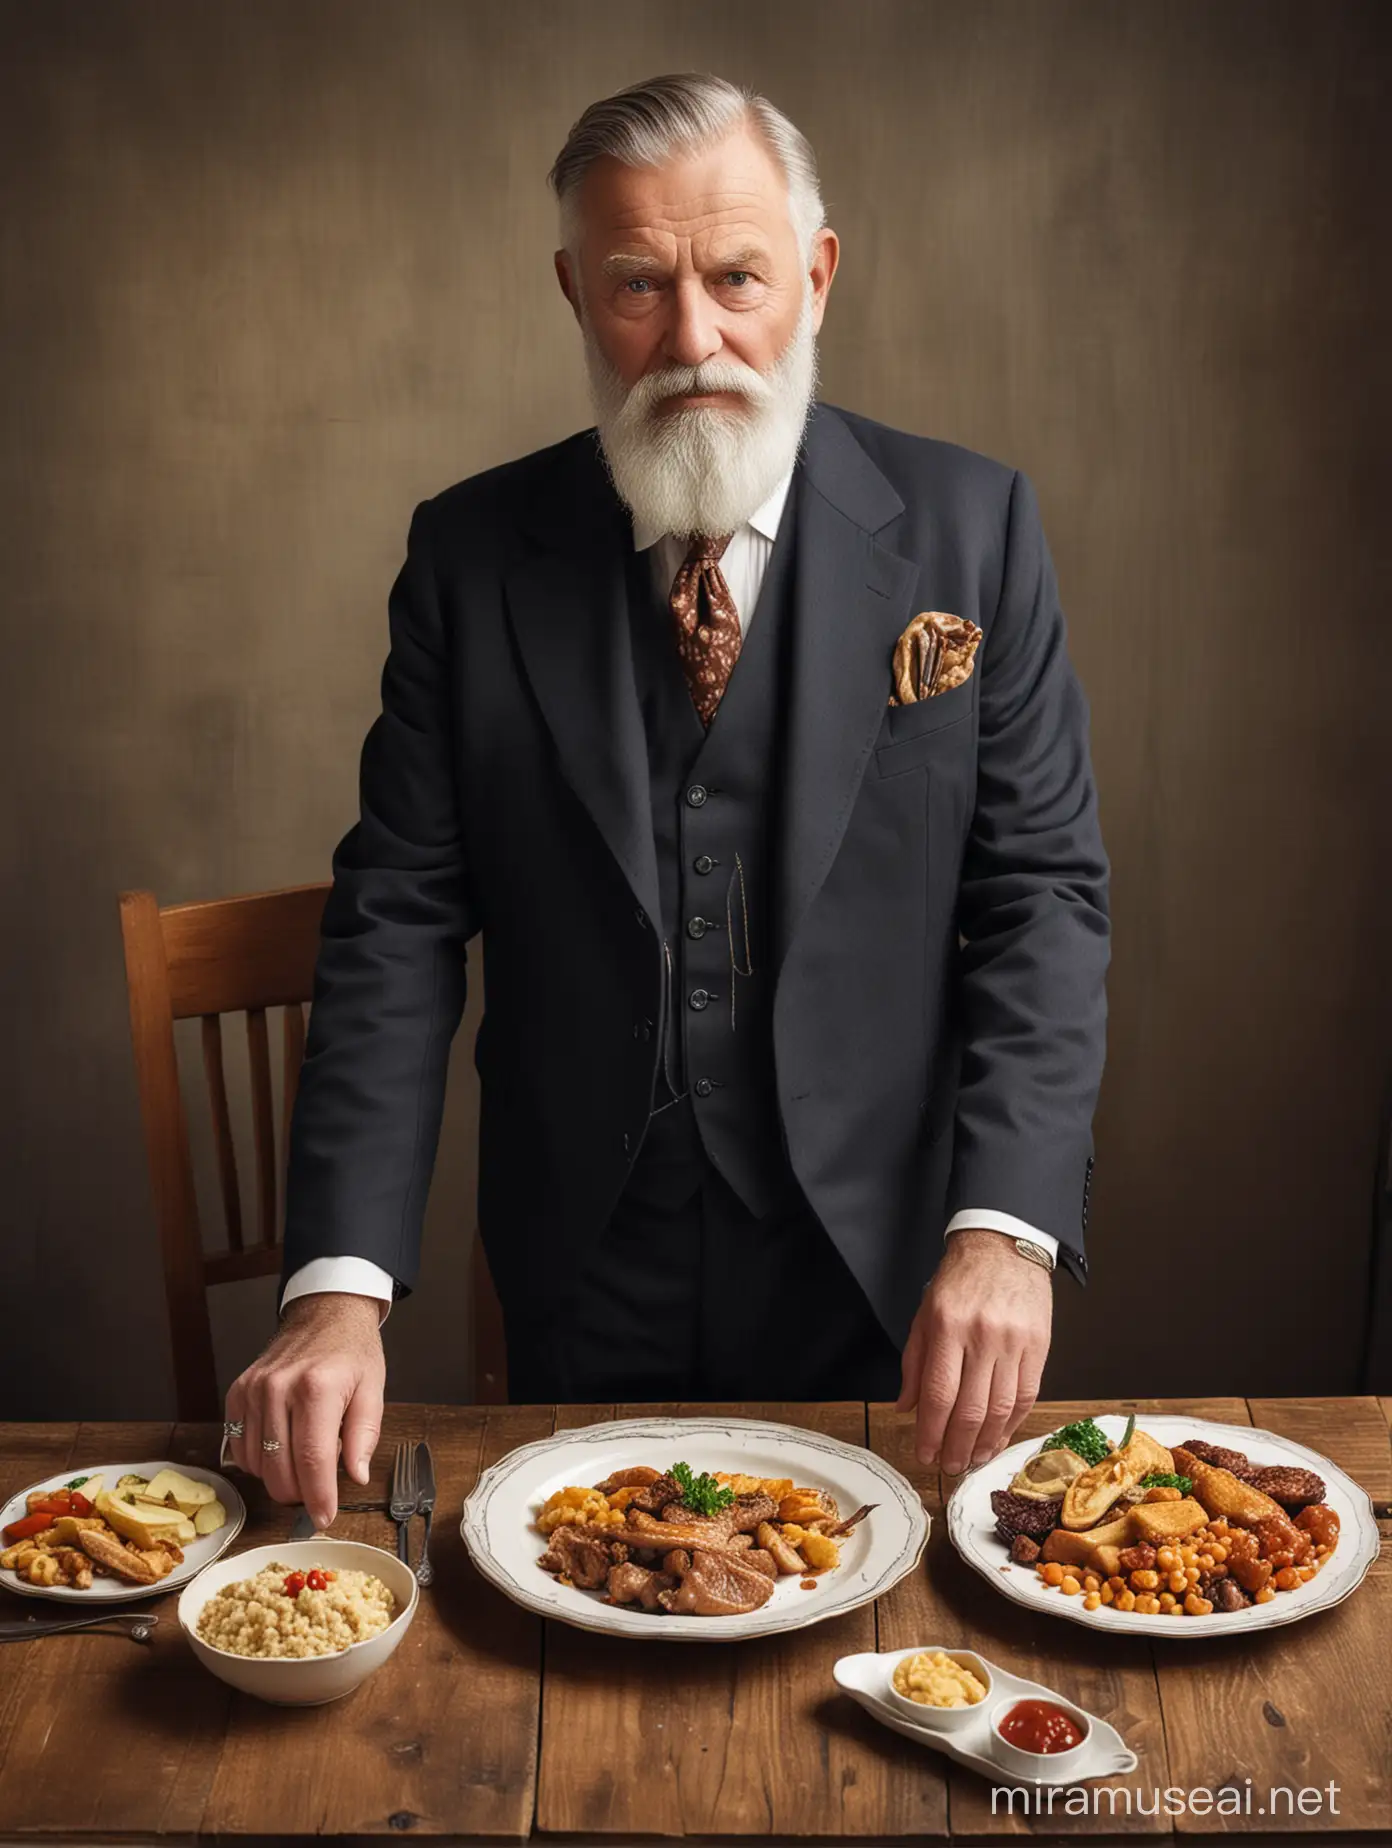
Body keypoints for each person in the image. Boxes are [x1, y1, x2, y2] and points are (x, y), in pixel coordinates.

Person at [224, 73, 1109, 1531]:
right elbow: (394, 925)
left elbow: (1042, 901)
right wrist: (337, 1287)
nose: (693, 340)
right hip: (582, 1258)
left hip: (890, 1271)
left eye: (738, 277)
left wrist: (1006, 1229)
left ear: (814, 279)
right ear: (576, 291)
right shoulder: (467, 558)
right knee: (578, 1654)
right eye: (639, 284)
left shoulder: (974, 530)